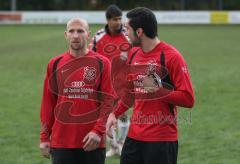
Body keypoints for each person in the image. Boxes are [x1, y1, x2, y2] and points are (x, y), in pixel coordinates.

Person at [106, 7, 195, 164]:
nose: (124, 33)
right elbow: (130, 93)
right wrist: (114, 113)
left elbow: (188, 99)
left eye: (127, 29)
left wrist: (158, 91)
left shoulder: (172, 57)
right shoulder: (133, 53)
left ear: (139, 32)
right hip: (134, 138)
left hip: (161, 140)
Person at [39, 17, 114, 164]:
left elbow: (108, 101)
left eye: (80, 31)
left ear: (88, 34)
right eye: (71, 31)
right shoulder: (54, 64)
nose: (75, 35)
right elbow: (48, 103)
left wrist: (98, 131)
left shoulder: (102, 63)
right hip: (61, 143)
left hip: (92, 142)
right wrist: (44, 137)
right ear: (66, 35)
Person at [89, 4, 130, 157]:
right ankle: (113, 146)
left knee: (123, 114)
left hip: (125, 83)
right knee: (107, 115)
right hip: (106, 83)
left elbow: (139, 53)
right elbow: (90, 57)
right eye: (115, 19)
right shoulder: (99, 36)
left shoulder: (128, 34)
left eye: (120, 19)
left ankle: (121, 143)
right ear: (108, 20)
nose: (118, 22)